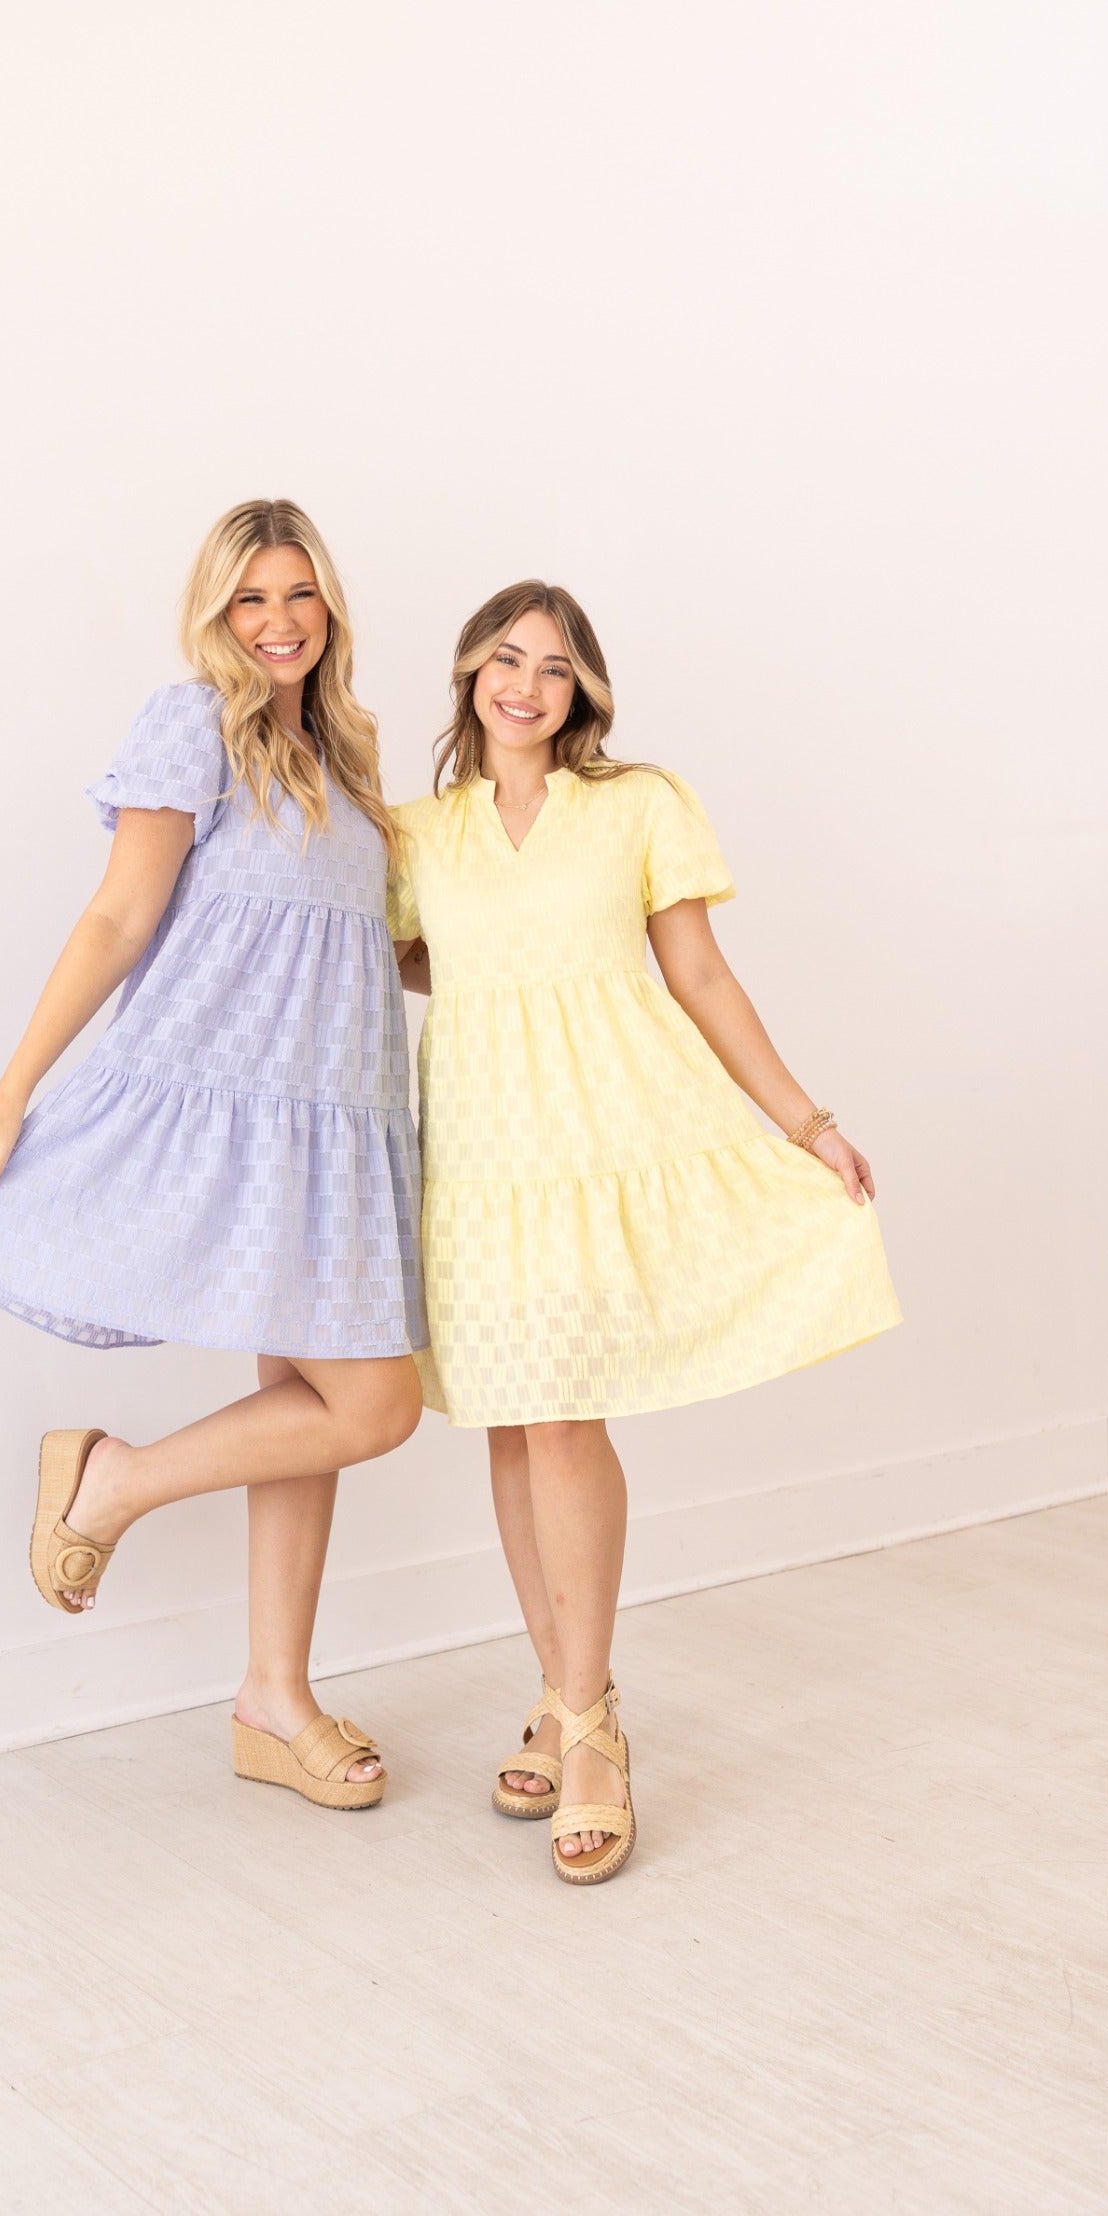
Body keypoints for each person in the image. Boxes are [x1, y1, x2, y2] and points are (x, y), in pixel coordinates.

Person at [0, 500, 425, 1808]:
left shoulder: (344, 752)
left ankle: (272, 1699)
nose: (278, 622)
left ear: (330, 607)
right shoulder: (192, 724)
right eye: (250, 598)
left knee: (314, 1415)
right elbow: (119, 916)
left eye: (299, 594)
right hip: (236, 1107)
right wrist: (11, 1090)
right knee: (372, 1404)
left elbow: (373, 944)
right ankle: (113, 1481)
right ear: (215, 613)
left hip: (339, 1124)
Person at [390, 583, 900, 1881]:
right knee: (511, 1422)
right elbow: (408, 960)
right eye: (507, 660)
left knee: (565, 1420)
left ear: (584, 692)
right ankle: (565, 1695)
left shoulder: (637, 805)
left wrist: (806, 1121)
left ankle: (590, 1725)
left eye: (555, 668)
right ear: (468, 673)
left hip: (604, 1136)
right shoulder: (417, 833)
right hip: (478, 1159)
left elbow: (699, 972)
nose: (526, 687)